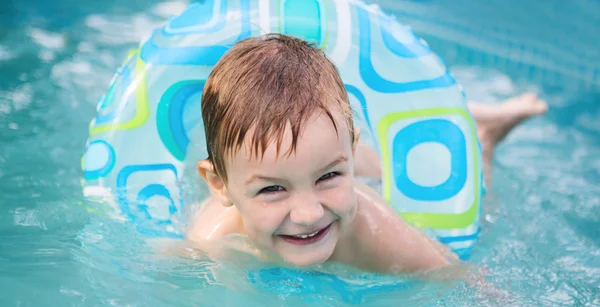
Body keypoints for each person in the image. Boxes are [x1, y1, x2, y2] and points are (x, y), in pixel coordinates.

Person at [185, 34, 547, 275]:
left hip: (365, 172)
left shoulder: (374, 228)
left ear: (350, 157)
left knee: (475, 195)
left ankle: (482, 137)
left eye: (330, 176)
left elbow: (456, 278)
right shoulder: (212, 240)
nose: (309, 214)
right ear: (219, 185)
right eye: (272, 189)